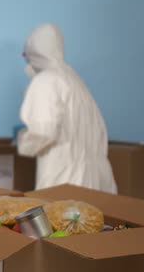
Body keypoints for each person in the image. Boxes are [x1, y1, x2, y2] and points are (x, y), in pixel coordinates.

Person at [16, 22, 117, 194]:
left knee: (61, 220)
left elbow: (42, 133)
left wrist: (22, 141)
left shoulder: (46, 81)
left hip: (64, 182)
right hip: (97, 184)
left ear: (33, 54)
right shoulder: (75, 81)